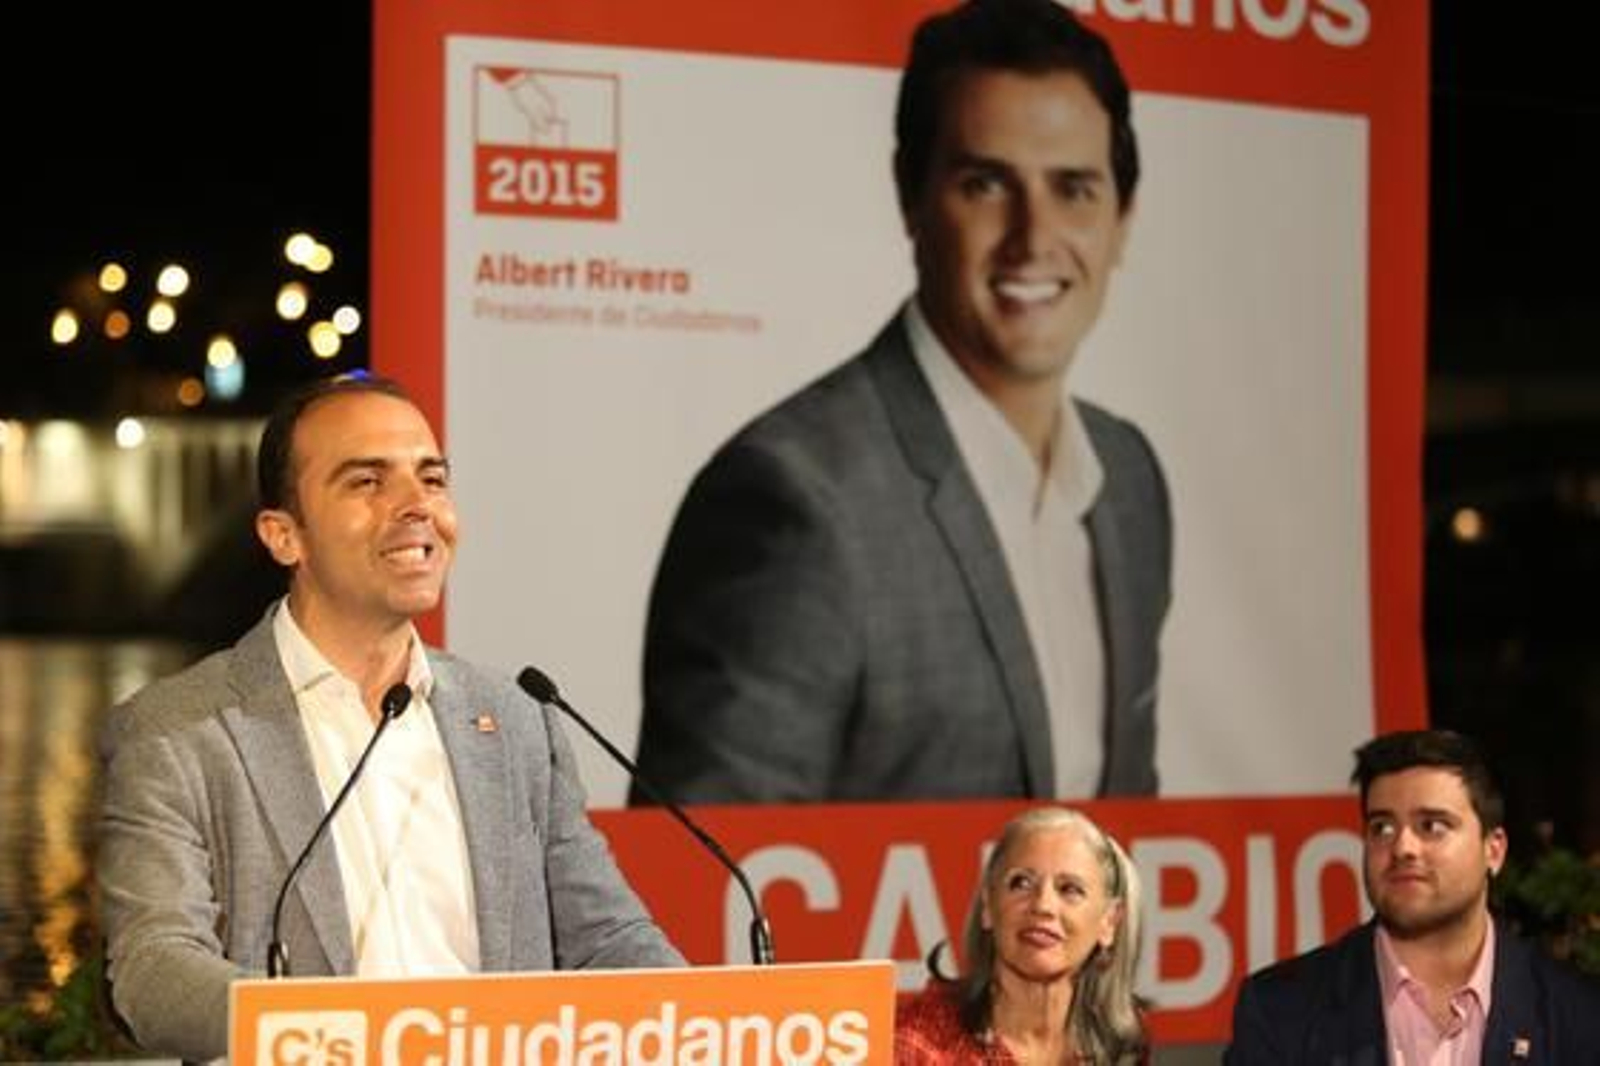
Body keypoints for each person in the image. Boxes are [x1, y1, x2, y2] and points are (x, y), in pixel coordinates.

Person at [632, 0, 1170, 804]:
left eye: (1074, 189)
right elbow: (711, 865)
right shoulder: (794, 500)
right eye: (986, 184)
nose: (1033, 237)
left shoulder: (1128, 477)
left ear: (1122, 218)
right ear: (911, 197)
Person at [96, 374, 683, 1061]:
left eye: (432, 479)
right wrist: (346, 1035)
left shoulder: (519, 721)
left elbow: (608, 941)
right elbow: (154, 969)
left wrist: (721, 1021)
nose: (416, 506)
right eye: (368, 482)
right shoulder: (176, 732)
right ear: (284, 536)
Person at [1224, 729, 1600, 1064]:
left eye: (1432, 826)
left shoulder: (1577, 1015)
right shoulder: (1281, 1011)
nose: (1403, 847)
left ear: (1494, 850)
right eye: (1382, 828)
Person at [895, 806, 1149, 1064]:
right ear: (988, 905)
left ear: (1109, 922)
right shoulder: (915, 1046)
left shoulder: (1119, 1042)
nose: (1043, 905)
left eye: (1070, 889)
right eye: (1022, 883)